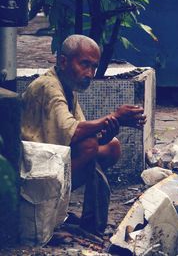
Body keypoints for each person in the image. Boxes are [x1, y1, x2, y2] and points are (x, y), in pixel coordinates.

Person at [21, 34, 146, 234]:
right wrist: (114, 116)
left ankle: (87, 217)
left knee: (111, 146)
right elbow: (74, 132)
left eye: (94, 67)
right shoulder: (48, 86)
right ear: (63, 61)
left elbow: (81, 133)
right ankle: (53, 210)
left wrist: (109, 129)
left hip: (54, 155)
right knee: (89, 146)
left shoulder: (67, 87)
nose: (90, 73)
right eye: (85, 64)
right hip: (31, 165)